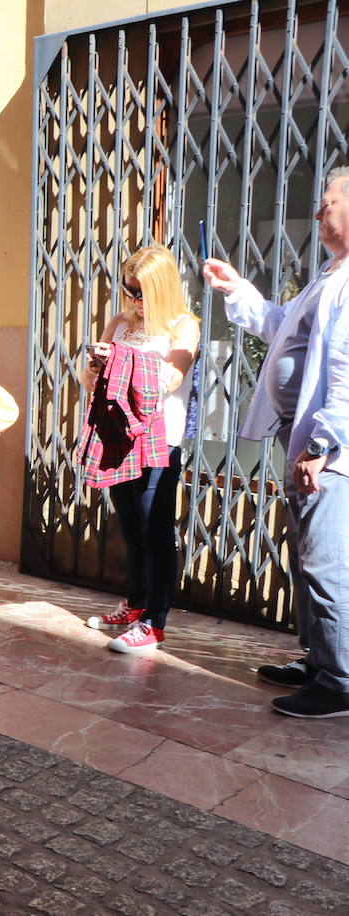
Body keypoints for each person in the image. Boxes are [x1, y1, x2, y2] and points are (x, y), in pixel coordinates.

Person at [205, 166, 349, 717]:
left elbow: (343, 371)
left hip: (327, 450)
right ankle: (318, 659)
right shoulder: (330, 273)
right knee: (306, 557)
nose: (319, 211)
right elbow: (279, 325)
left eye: (328, 201)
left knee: (327, 563)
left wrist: (323, 446)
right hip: (305, 440)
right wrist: (236, 288)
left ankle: (339, 682)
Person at [82, 246, 200, 654]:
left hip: (159, 442)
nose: (134, 301)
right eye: (129, 291)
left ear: (161, 288)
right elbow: (88, 381)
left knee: (156, 531)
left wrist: (119, 362)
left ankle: (155, 622)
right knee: (132, 528)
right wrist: (98, 368)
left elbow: (167, 380)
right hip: (118, 437)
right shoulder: (120, 322)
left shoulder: (184, 327)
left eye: (142, 292)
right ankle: (135, 604)